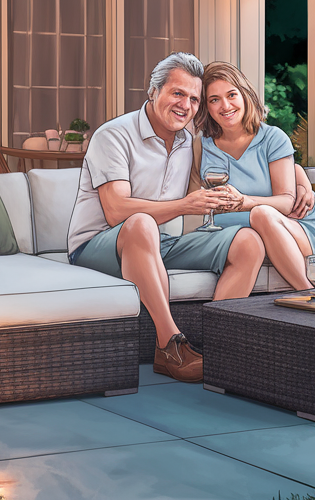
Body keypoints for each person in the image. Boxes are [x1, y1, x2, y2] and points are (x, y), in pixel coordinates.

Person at [67, 53, 266, 383]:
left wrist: (299, 182)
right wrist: (185, 205)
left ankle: (218, 348)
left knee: (248, 242)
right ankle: (169, 345)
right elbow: (116, 210)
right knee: (142, 222)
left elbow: (232, 180)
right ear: (153, 92)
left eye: (194, 98)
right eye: (177, 93)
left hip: (160, 244)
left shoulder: (190, 141)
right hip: (96, 246)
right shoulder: (113, 135)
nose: (185, 105)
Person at [194, 62, 315, 292]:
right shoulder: (203, 146)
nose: (225, 105)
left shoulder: (272, 138)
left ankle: (308, 292)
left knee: (261, 213)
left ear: (245, 95)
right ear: (206, 107)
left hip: (298, 226)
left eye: (231, 95)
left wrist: (245, 202)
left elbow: (288, 203)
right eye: (214, 99)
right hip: (241, 232)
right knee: (249, 236)